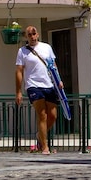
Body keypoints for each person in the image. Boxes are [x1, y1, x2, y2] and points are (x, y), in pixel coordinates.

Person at [15, 25, 63, 154]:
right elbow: (19, 71)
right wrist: (18, 91)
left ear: (38, 35)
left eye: (34, 33)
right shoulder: (22, 51)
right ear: (26, 36)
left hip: (49, 84)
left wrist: (59, 80)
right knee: (42, 115)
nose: (32, 36)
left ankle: (40, 136)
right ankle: (45, 146)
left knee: (52, 116)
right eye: (29, 34)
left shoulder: (46, 47)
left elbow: (53, 65)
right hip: (33, 85)